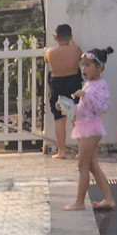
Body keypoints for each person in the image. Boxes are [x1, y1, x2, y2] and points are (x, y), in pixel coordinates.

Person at [61, 46, 117, 212]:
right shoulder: (87, 85)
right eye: (82, 65)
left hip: (91, 129)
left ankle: (79, 202)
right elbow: (81, 109)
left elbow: (103, 107)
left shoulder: (101, 85)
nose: (83, 69)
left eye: (87, 65)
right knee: (92, 165)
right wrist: (66, 106)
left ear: (99, 68)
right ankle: (108, 199)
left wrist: (87, 96)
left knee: (82, 165)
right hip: (83, 127)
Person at [44, 23, 82, 159]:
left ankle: (61, 151)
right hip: (73, 82)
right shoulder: (76, 50)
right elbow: (79, 57)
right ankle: (81, 150)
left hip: (57, 84)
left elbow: (46, 61)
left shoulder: (50, 52)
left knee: (59, 119)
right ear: (70, 37)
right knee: (76, 117)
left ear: (55, 38)